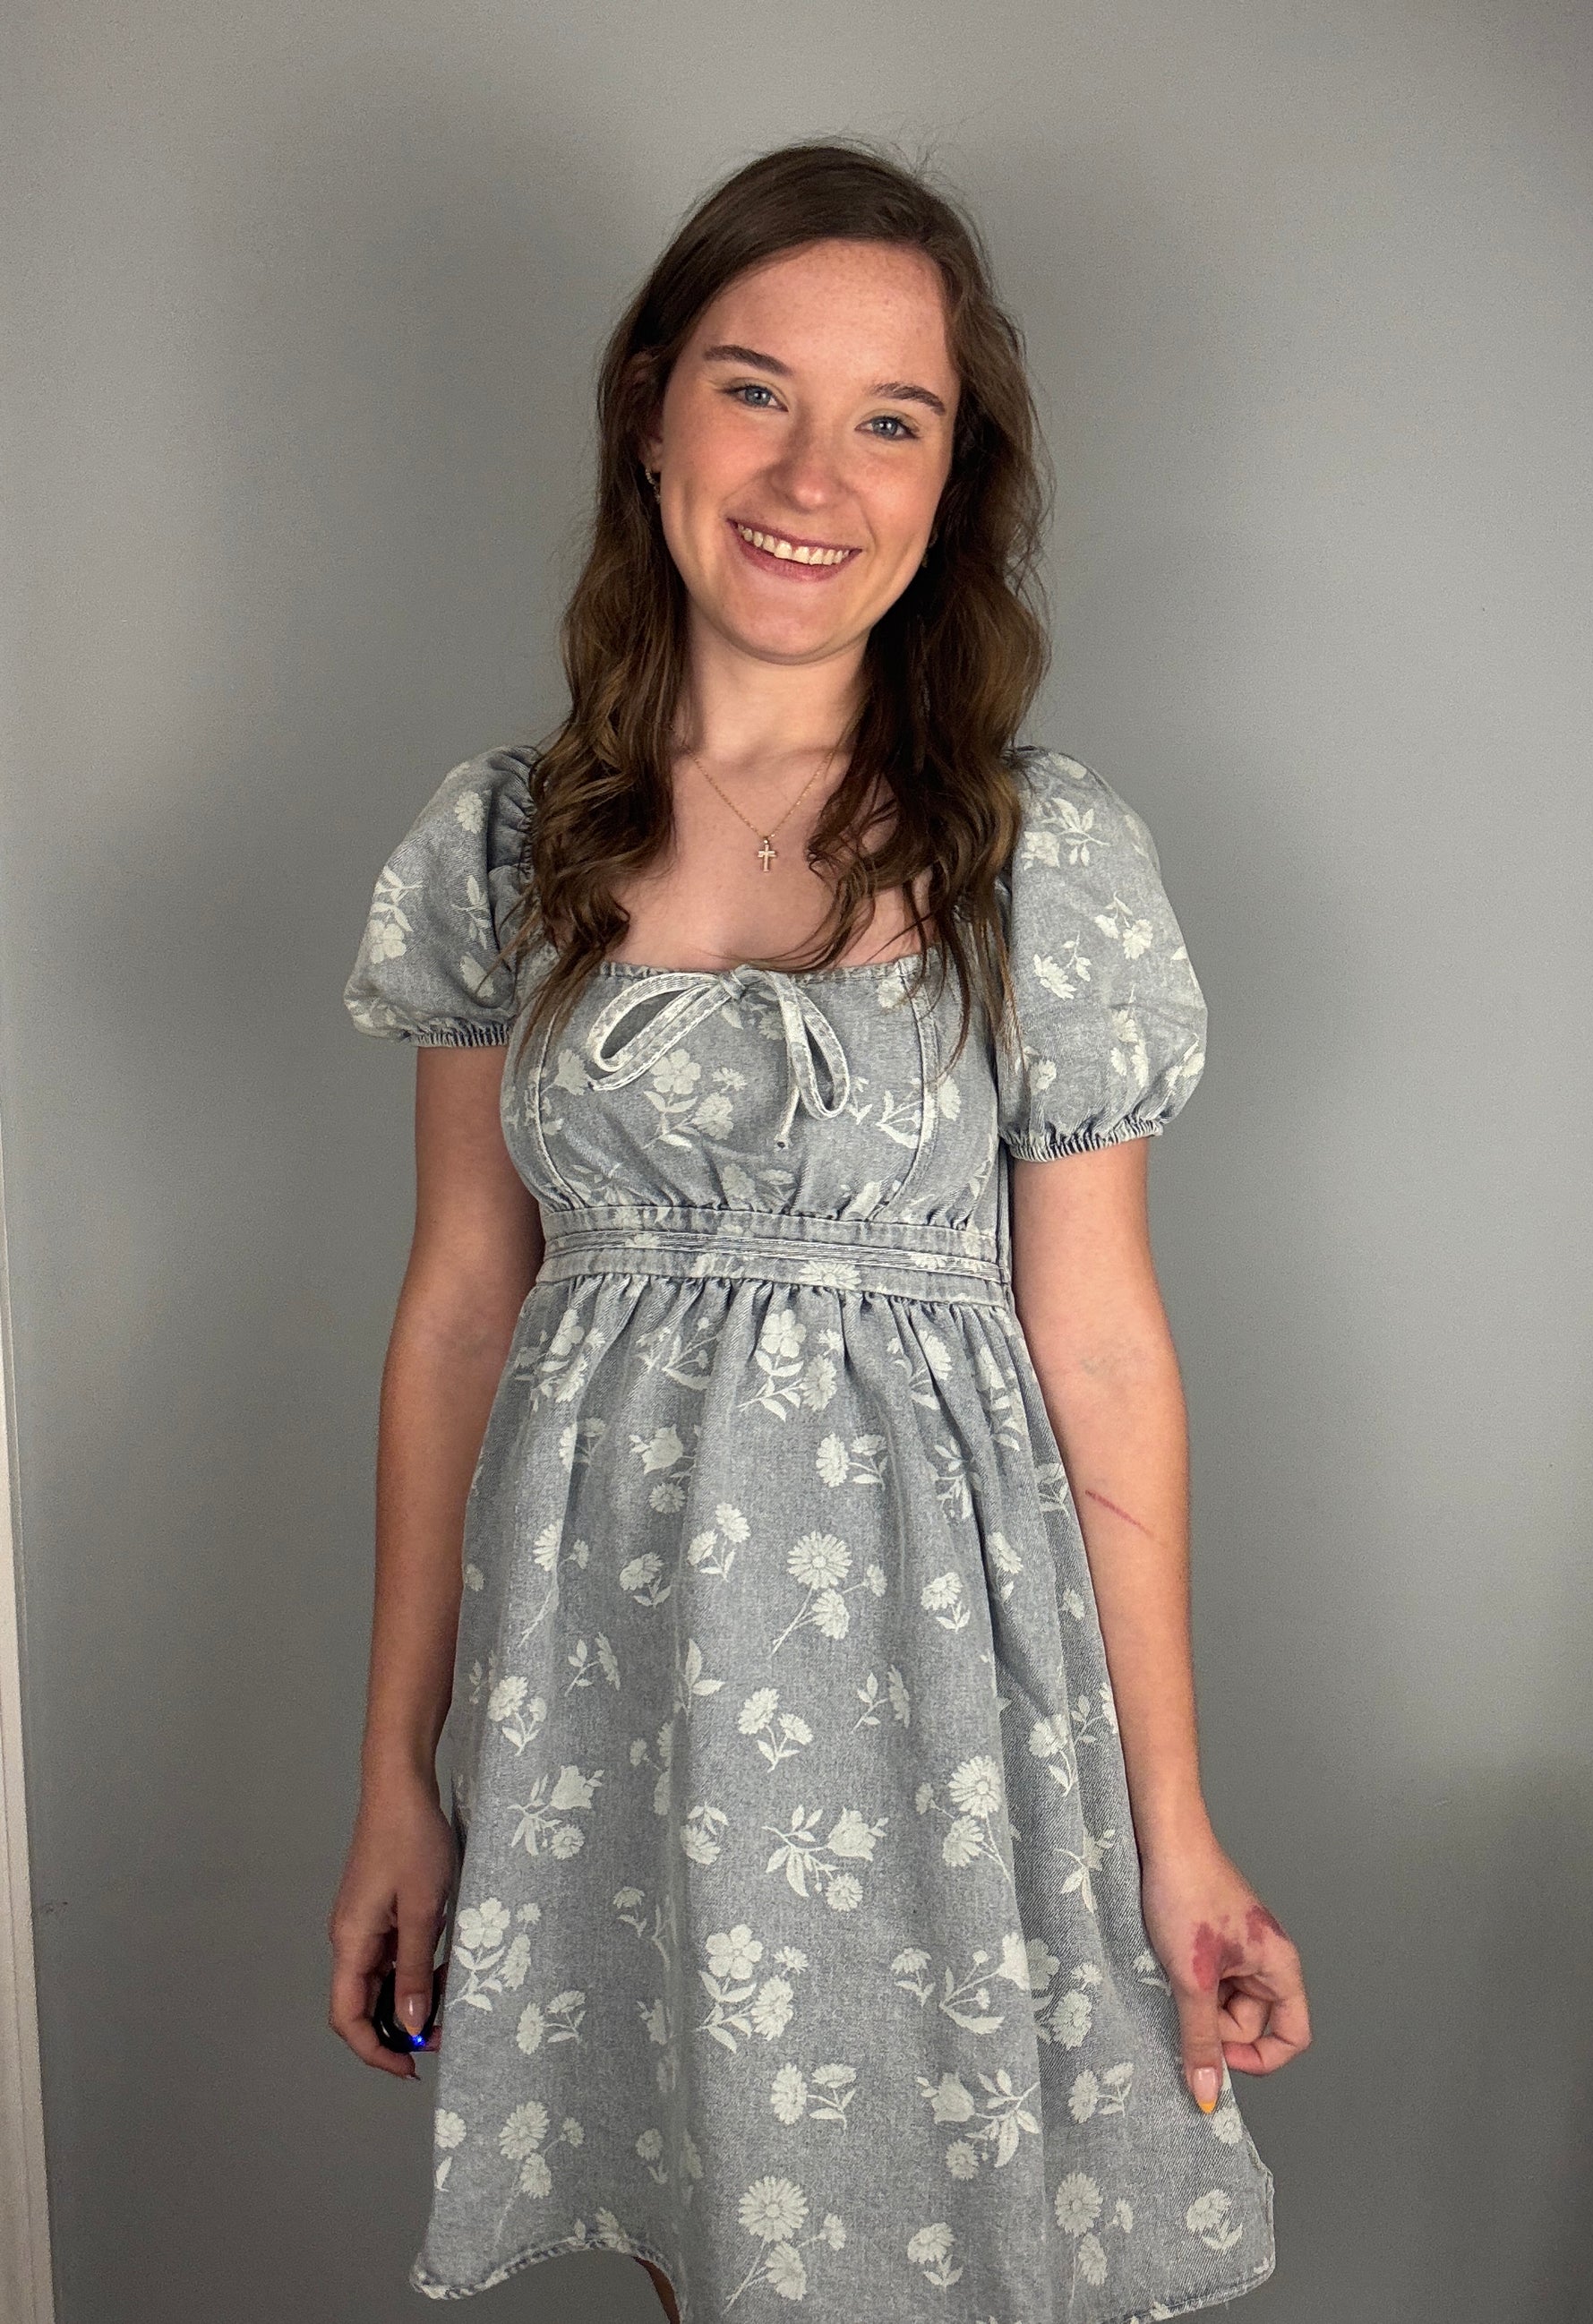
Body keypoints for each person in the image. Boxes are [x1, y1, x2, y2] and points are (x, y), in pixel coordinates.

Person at [328, 137, 1309, 2324]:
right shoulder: (502, 845)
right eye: (755, 389)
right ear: (650, 408)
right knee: (712, 2235)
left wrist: (1174, 1821)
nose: (811, 476)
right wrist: (397, 1770)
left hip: (944, 1681)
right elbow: (461, 1309)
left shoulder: (1042, 860)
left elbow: (1105, 1347)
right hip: (614, 1677)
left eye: (891, 420)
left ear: (951, 484)